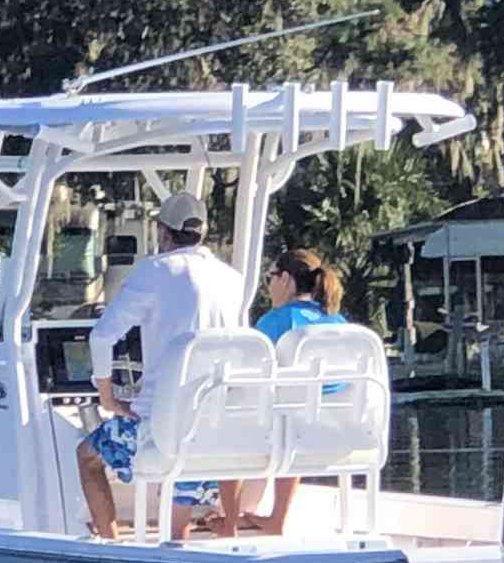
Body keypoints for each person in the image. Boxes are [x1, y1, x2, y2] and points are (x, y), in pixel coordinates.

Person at [78, 191, 247, 540]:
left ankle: (110, 544)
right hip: (214, 426)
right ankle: (176, 539)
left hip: (160, 427)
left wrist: (109, 399)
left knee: (87, 456)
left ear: (164, 233)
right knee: (180, 462)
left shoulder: (155, 270)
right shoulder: (233, 279)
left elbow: (101, 337)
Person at [238, 248, 347, 535]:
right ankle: (272, 515)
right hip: (344, 430)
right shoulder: (339, 323)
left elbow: (248, 374)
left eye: (270, 277)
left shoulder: (276, 322)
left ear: (285, 279)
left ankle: (229, 513)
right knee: (291, 414)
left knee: (239, 416)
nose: (268, 285)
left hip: (291, 432)